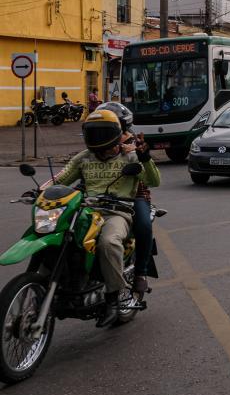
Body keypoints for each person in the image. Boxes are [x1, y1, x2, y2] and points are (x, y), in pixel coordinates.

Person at [50, 109, 160, 327]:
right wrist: (40, 191)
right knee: (61, 236)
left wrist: (145, 157)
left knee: (108, 242)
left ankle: (114, 297)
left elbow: (154, 180)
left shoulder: (130, 155)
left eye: (103, 133)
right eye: (93, 133)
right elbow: (60, 179)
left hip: (117, 211)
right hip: (87, 211)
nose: (98, 138)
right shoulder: (83, 158)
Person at [97, 101, 156, 295]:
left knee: (144, 225)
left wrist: (139, 153)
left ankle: (140, 273)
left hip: (133, 196)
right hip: (99, 194)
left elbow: (151, 176)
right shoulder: (97, 142)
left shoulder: (133, 144)